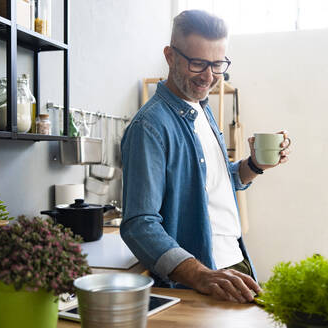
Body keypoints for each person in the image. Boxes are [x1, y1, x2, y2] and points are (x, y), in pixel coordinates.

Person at [120, 9, 290, 303]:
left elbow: (212, 185)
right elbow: (139, 224)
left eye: (217, 64)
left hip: (234, 264)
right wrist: (201, 275)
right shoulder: (149, 126)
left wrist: (254, 165)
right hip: (200, 278)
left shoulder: (202, 108)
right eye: (198, 64)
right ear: (170, 56)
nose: (209, 77)